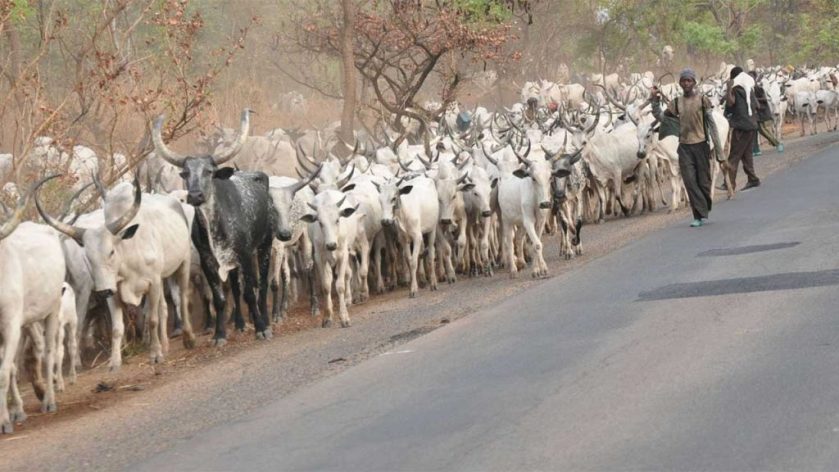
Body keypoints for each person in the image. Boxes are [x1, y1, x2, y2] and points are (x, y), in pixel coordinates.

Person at [651, 68, 723, 228]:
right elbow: (662, 117)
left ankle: (704, 205)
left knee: (703, 181)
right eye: (683, 81)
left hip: (701, 145)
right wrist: (654, 101)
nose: (686, 83)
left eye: (689, 80)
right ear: (680, 83)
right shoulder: (676, 103)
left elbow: (711, 125)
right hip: (684, 147)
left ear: (694, 82)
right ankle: (698, 215)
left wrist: (719, 151)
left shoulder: (702, 100)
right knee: (689, 181)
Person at [725, 66, 761, 191]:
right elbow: (757, 105)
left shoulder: (736, 89)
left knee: (733, 156)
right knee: (746, 155)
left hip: (741, 126)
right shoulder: (749, 89)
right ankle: (753, 179)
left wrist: (728, 88)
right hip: (752, 125)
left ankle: (730, 183)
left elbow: (730, 103)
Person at [749, 71, 783, 156]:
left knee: (763, 131)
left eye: (751, 77)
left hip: (759, 113)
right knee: (753, 132)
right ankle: (756, 150)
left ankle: (777, 143)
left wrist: (755, 99)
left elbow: (764, 99)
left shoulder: (758, 88)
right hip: (752, 113)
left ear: (755, 78)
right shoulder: (748, 89)